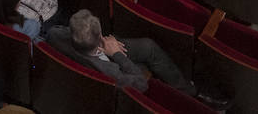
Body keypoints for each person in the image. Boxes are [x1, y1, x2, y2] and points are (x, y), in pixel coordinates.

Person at [46, 10, 203, 98]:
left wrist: (106, 44)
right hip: (111, 64)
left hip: (94, 51)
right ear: (101, 34)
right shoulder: (110, 71)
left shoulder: (54, 35)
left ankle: (183, 88)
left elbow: (62, 32)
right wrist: (116, 54)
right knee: (146, 60)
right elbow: (142, 84)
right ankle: (188, 92)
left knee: (148, 46)